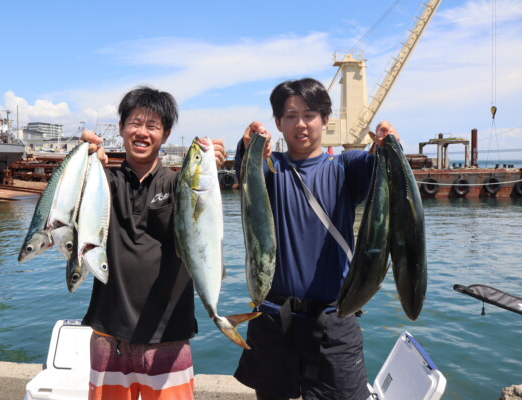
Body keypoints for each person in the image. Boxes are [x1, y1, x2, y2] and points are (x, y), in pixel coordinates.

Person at [233, 77, 399, 400]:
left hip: (334, 322)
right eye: (290, 116)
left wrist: (384, 144)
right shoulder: (272, 169)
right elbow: (246, 171)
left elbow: (376, 164)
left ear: (325, 119)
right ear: (278, 123)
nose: (301, 124)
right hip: (273, 320)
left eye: (309, 114)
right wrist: (248, 146)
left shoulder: (345, 167)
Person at [80, 86, 227, 400]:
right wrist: (86, 159)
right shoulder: (104, 183)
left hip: (169, 337)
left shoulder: (181, 184)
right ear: (121, 128)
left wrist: (214, 165)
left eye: (152, 126)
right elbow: (73, 202)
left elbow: (210, 211)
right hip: (109, 337)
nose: (142, 132)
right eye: (134, 123)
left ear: (166, 133)